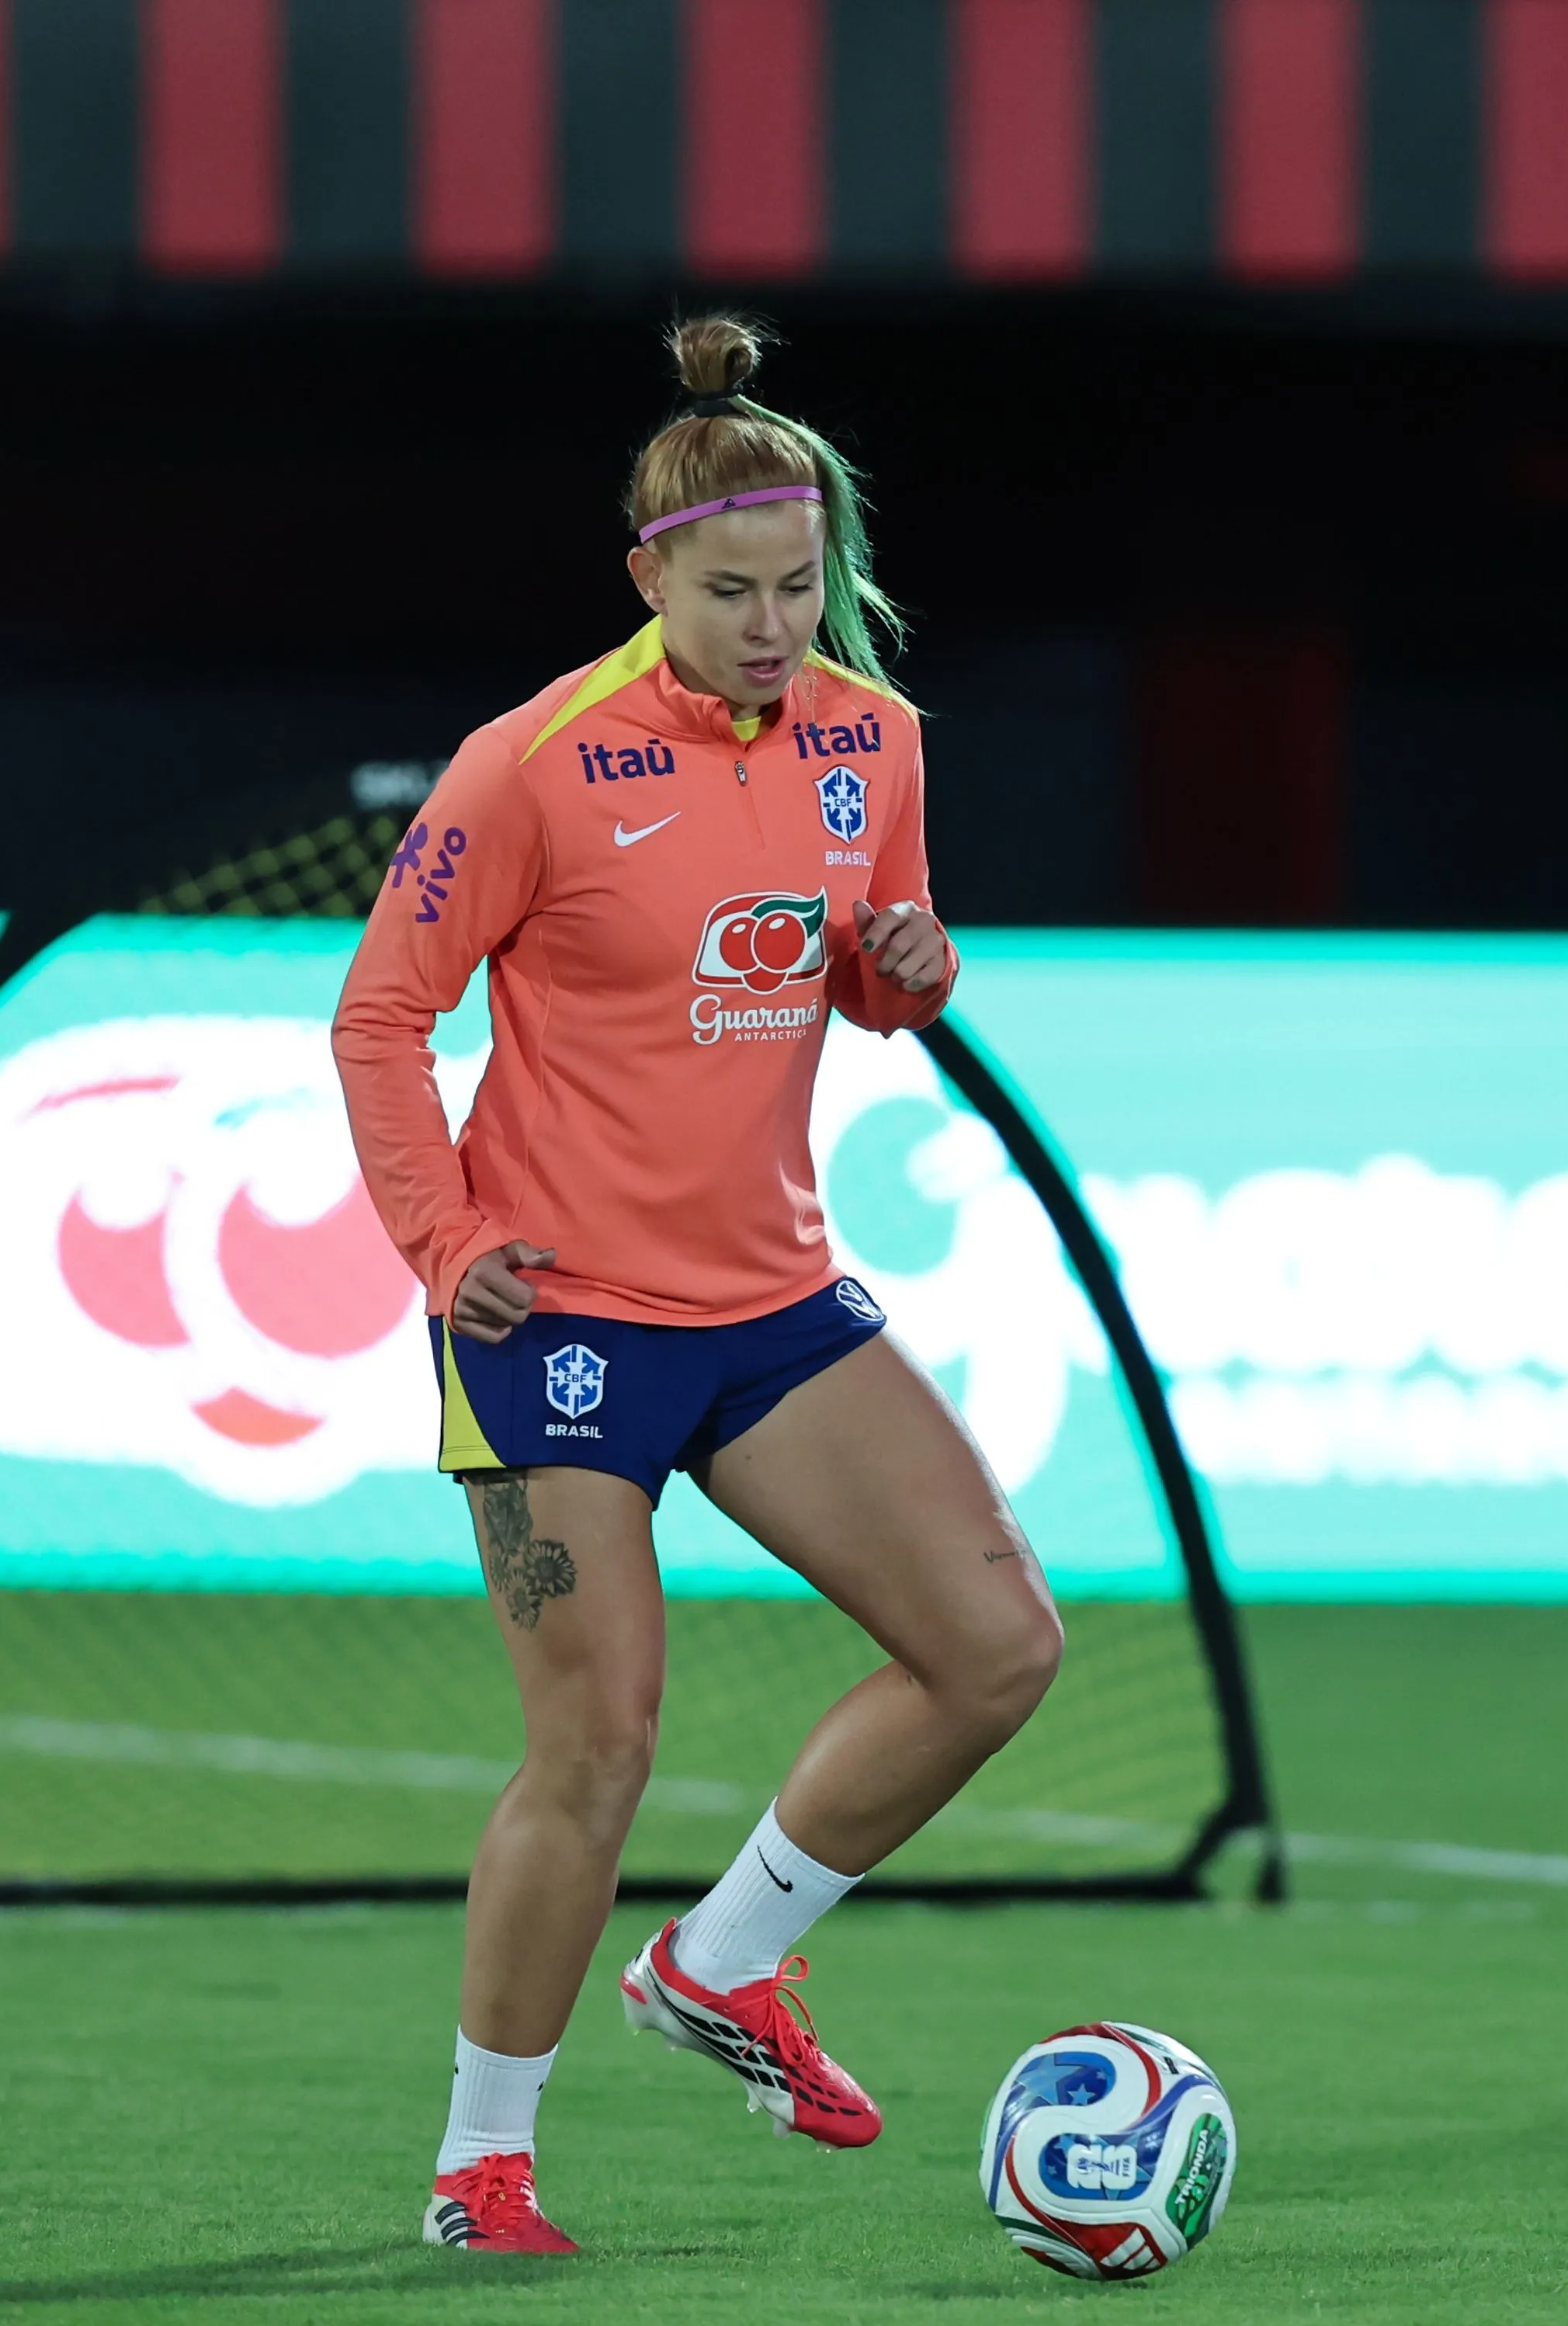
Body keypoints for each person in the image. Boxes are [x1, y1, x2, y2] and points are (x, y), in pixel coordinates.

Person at [332, 314, 1063, 2258]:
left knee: (998, 1649)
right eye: (730, 588)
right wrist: (450, 1242)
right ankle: (481, 2164)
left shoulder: (870, 737)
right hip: (551, 1314)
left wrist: (913, 965)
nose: (769, 622)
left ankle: (723, 1964)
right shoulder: (534, 765)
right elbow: (379, 1018)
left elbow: (871, 986)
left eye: (798, 586)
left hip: (767, 1302)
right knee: (598, 1743)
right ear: (646, 572)